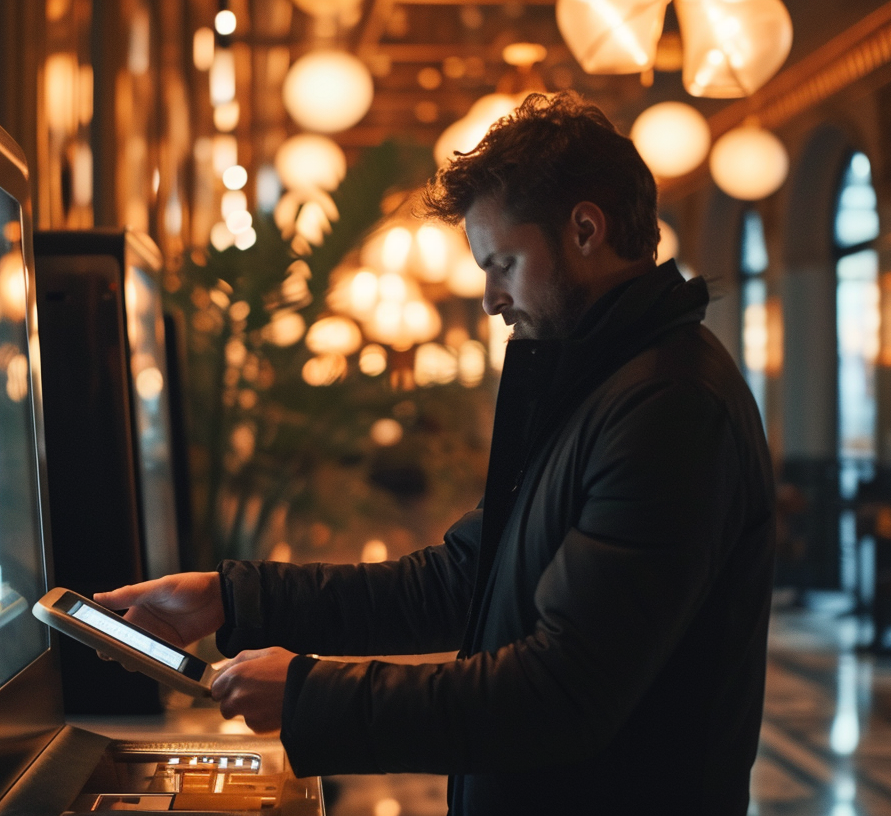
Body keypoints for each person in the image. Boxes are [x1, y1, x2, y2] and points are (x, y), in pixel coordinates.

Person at [96, 92, 775, 814]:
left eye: (504, 263)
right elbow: (458, 581)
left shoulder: (670, 407)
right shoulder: (601, 385)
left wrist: (307, 694)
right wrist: (229, 598)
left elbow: (564, 693)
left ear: (584, 230)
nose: (489, 299)